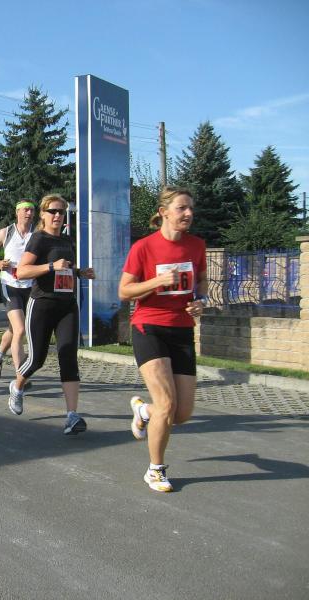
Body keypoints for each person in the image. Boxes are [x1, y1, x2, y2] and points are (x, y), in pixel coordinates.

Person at [118, 186, 207, 493]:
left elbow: (202, 280)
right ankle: (155, 470)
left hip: (182, 329)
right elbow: (124, 291)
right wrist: (156, 281)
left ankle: (144, 411)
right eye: (182, 208)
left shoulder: (196, 245)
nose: (188, 213)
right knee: (167, 404)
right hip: (149, 326)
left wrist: (201, 300)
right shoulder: (144, 247)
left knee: (181, 414)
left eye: (191, 208)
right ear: (164, 212)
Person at [8, 194, 96, 435]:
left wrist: (80, 272)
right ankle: (17, 387)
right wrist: (50, 266)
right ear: (43, 214)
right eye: (53, 211)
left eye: (61, 212)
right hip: (42, 304)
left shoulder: (67, 240)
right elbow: (22, 272)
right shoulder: (38, 239)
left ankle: (72, 416)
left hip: (67, 305)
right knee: (37, 359)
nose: (57, 215)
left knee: (68, 356)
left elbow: (65, 268)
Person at [0, 199, 36, 380]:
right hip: (10, 285)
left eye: (32, 210)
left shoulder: (37, 234)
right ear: (17, 212)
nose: (29, 213)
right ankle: (21, 376)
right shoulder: (6, 232)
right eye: (25, 210)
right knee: (20, 329)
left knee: (14, 330)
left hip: (30, 286)